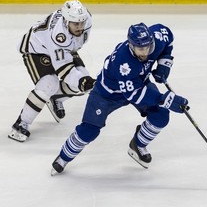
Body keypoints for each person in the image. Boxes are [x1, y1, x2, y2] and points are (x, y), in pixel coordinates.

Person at [51, 22, 188, 175]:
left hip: (139, 83)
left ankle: (138, 145)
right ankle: (63, 157)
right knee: (89, 130)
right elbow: (134, 95)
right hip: (107, 94)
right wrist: (165, 99)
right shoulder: (124, 62)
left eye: (148, 47)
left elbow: (168, 39)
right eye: (140, 49)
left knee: (161, 116)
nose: (145, 52)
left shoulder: (157, 37)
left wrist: (164, 64)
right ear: (131, 45)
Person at [8, 0, 96, 142]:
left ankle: (56, 98)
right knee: (49, 84)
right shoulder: (58, 35)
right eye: (76, 24)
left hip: (64, 49)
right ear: (66, 21)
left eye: (82, 22)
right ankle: (22, 123)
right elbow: (64, 69)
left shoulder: (85, 20)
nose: (80, 27)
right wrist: (82, 82)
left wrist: (83, 81)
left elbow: (68, 53)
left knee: (83, 80)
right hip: (37, 49)